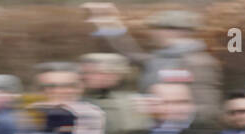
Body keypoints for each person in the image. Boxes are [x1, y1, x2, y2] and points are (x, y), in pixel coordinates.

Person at [84, 4, 222, 122]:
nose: (153, 33)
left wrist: (173, 115)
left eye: (157, 28)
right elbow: (129, 53)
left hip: (183, 132)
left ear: (177, 31)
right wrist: (110, 23)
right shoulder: (162, 57)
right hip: (156, 124)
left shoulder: (198, 62)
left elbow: (207, 107)